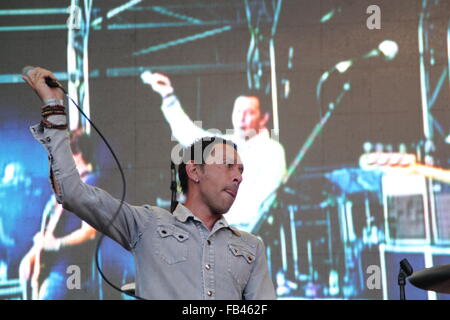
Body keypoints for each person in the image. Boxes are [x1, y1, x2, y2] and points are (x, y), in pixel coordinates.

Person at [22, 67, 275, 300]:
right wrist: (53, 107)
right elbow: (73, 193)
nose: (238, 176)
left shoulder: (250, 246)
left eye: (240, 170)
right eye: (227, 165)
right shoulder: (146, 223)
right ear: (194, 171)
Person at [141, 72, 286, 232]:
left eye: (249, 112)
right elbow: (189, 134)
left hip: (250, 236)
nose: (241, 118)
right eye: (238, 111)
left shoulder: (272, 151)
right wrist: (168, 96)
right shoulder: (225, 144)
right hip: (219, 232)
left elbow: (265, 200)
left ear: (264, 118)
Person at [18, 129, 98, 300]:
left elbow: (90, 231)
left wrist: (57, 244)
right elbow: (51, 228)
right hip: (55, 267)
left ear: (77, 154)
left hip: (70, 268)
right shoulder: (69, 186)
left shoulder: (91, 183)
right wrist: (33, 252)